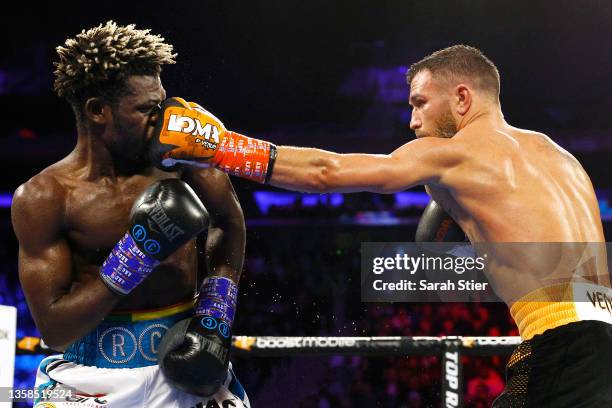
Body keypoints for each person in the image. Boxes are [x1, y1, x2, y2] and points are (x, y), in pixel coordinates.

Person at [149, 45, 611, 406]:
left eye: (420, 103)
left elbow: (326, 172)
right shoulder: (559, 156)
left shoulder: (456, 152)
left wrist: (217, 146)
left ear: (463, 98)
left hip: (564, 347)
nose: (412, 121)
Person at [11, 21, 250, 407]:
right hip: (89, 378)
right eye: (146, 110)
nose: (164, 120)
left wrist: (214, 315)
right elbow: (54, 329)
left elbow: (230, 222)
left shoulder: (183, 160)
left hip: (186, 360)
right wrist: (135, 255)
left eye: (162, 103)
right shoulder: (45, 196)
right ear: (97, 111)